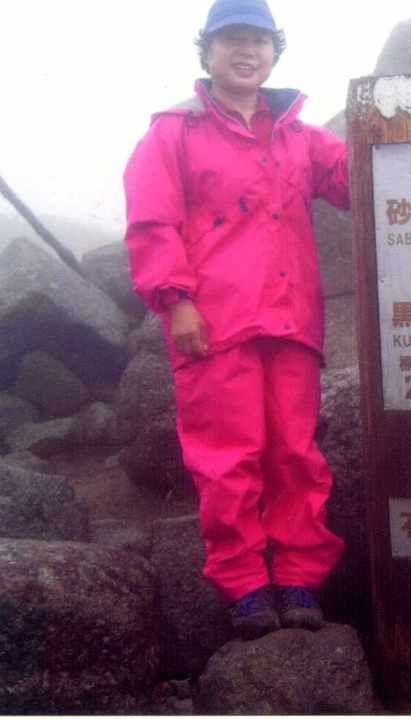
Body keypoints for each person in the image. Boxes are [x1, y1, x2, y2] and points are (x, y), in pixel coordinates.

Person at [123, 0, 348, 639]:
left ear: (275, 51)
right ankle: (245, 583)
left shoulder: (302, 134)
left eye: (258, 40)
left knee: (295, 453)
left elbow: (357, 179)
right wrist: (177, 301)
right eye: (231, 40)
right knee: (227, 458)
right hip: (214, 324)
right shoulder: (174, 131)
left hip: (292, 319)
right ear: (208, 51)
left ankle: (299, 575)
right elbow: (152, 221)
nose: (246, 52)